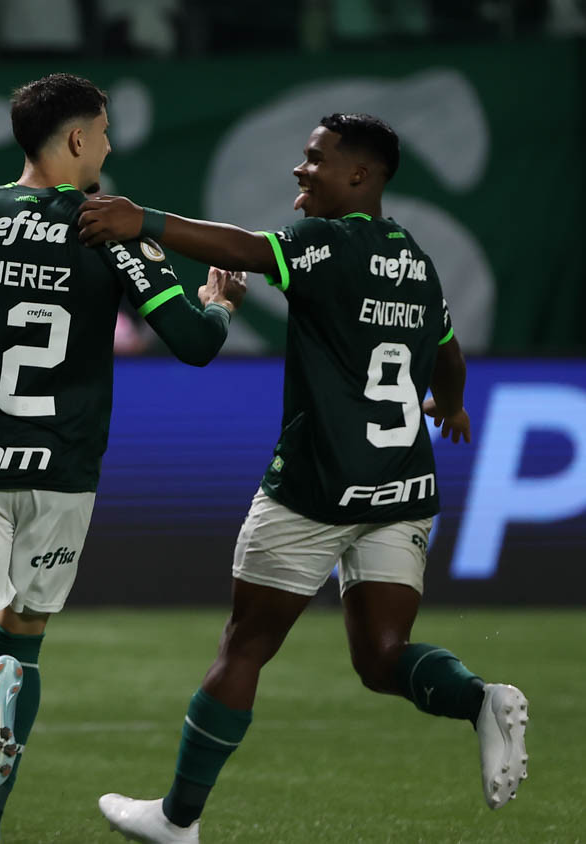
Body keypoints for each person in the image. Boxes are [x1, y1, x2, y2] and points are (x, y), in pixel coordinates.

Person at [78, 113, 527, 844]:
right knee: (384, 656)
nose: (300, 170)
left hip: (319, 485)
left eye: (316, 159)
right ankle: (479, 700)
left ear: (362, 176)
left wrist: (141, 221)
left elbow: (243, 250)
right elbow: (446, 351)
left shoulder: (324, 242)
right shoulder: (415, 258)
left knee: (246, 646)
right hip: (402, 487)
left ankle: (177, 820)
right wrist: (451, 403)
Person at [0, 72, 247, 844]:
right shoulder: (110, 231)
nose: (111, 143)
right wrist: (220, 304)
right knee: (21, 637)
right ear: (77, 139)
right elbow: (194, 345)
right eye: (105, 129)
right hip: (64, 473)